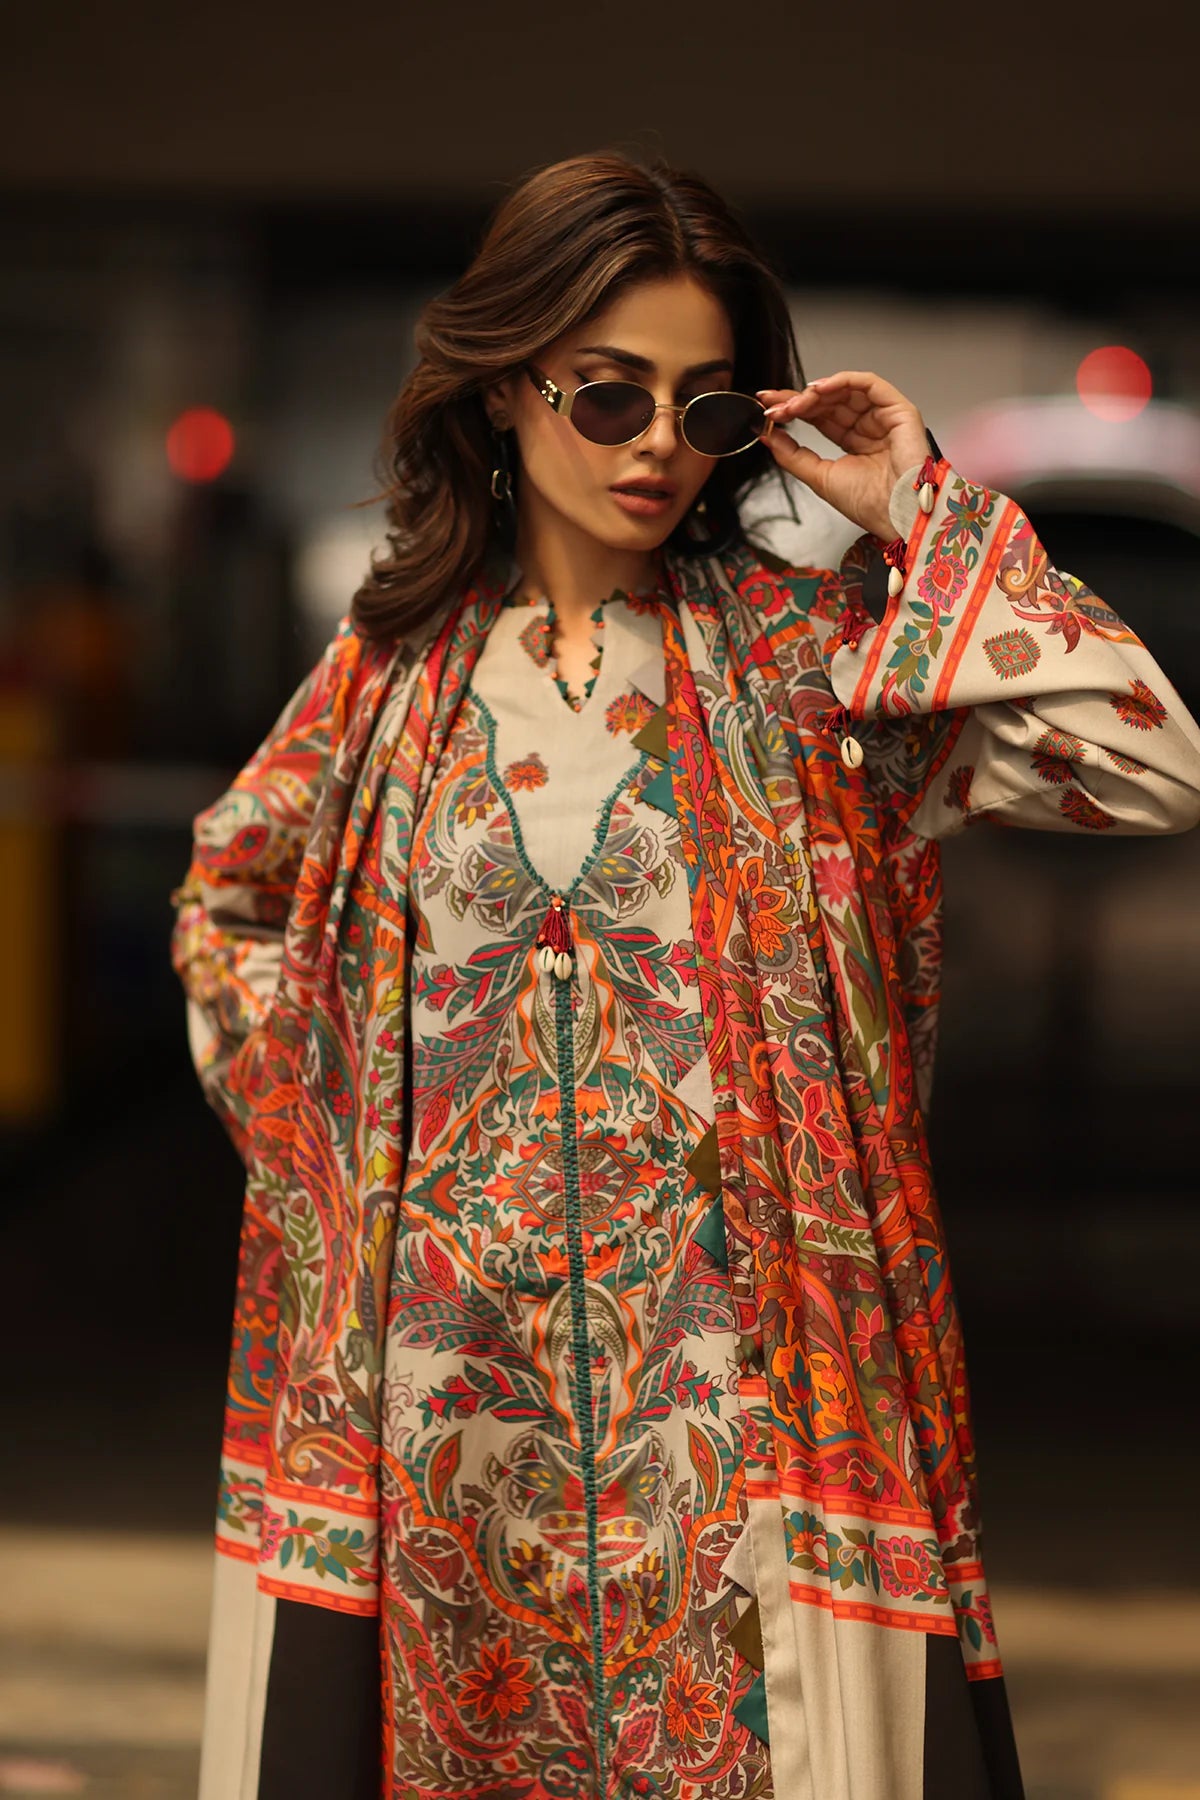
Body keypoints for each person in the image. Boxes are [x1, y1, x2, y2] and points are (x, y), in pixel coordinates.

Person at [171, 151, 1200, 1800]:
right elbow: (234, 891)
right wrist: (334, 1173)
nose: (660, 442)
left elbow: (1147, 762)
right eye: (610, 395)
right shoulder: (390, 677)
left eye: (707, 407)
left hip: (743, 1427)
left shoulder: (810, 669)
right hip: (444, 1443)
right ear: (507, 387)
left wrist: (915, 509)